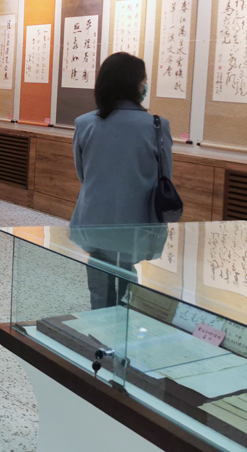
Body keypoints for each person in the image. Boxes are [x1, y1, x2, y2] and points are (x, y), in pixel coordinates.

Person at [71, 52, 173, 309]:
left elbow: (82, 174)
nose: (144, 86)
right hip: (136, 219)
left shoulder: (84, 123)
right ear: (134, 85)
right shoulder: (157, 126)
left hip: (94, 217)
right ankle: (125, 323)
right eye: (143, 81)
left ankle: (99, 324)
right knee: (128, 275)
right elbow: (165, 177)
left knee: (98, 279)